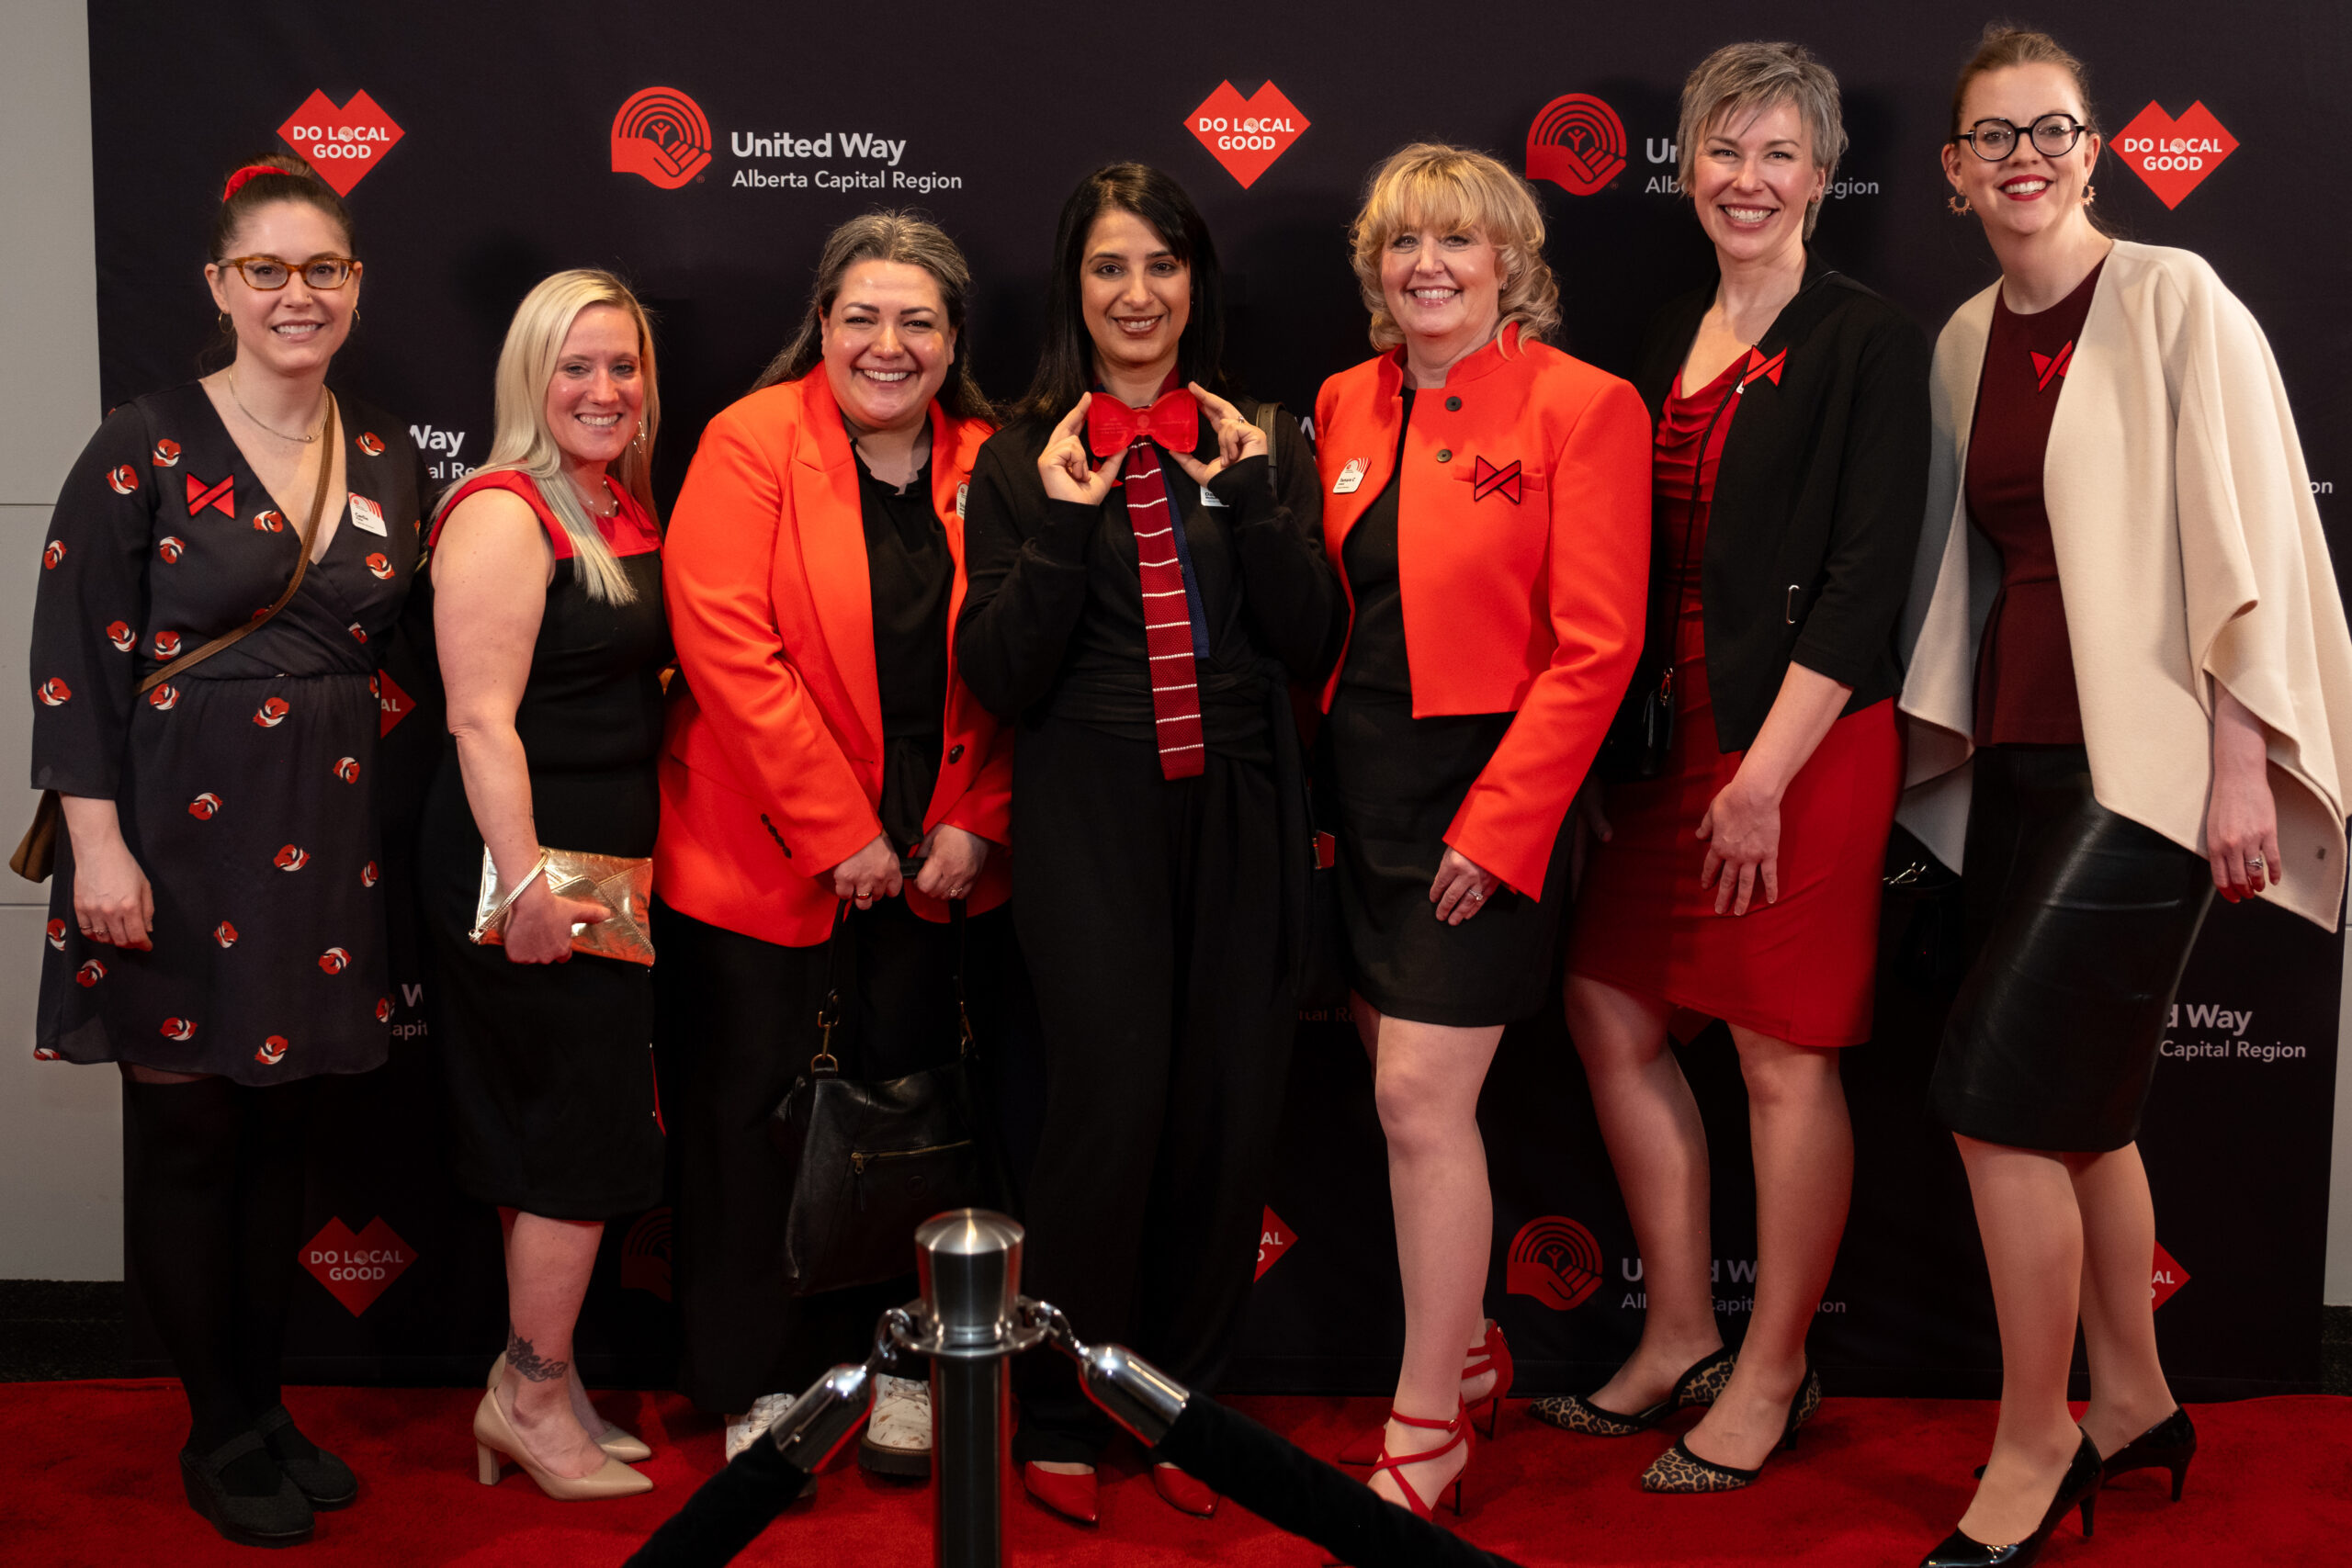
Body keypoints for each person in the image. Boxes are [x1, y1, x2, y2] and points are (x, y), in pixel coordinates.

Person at [1900, 26, 2352, 1566]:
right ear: (1956, 174)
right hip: (2020, 757)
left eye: (2054, 129)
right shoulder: (1964, 339)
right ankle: (2141, 1398)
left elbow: (2249, 541)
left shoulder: (2174, 299)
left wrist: (2241, 761)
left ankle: (2038, 1442)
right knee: (2080, 1112)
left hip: (2147, 771)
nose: (2023, 156)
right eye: (1991, 137)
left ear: (2094, 149)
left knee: (1999, 1107)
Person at [1536, 43, 1929, 1494]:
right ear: (1686, 168)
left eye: (1778, 155)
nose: (1746, 180)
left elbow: (1868, 578)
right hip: (1662, 732)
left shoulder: (1868, 340)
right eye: (1723, 150)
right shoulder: (1657, 335)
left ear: (1823, 179)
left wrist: (1764, 775)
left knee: (1780, 1051)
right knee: (1604, 1005)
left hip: (1806, 738)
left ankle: (1774, 1369)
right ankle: (1681, 1332)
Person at [27, 152, 422, 1546]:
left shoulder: (385, 450)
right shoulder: (142, 439)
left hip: (322, 840)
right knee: (190, 1136)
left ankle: (265, 1407)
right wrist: (98, 855)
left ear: (356, 286)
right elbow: (71, 663)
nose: (295, 294)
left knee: (280, 1142)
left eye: (323, 270)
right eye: (267, 270)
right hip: (170, 841)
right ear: (220, 286)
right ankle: (212, 1427)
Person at [955, 163, 1341, 1526]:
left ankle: (1184, 1411)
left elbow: (1313, 641)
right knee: (1104, 1111)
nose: (1138, 294)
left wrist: (1246, 495)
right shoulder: (1015, 457)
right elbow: (999, 674)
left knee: (1226, 1116)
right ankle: (1058, 1405)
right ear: (1076, 286)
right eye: (1111, 267)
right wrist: (1061, 523)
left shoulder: (1263, 437)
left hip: (1241, 804)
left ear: (1197, 283)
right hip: (1089, 816)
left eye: (1162, 266)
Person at [1314, 144, 1650, 1521]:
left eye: (1456, 242)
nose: (1428, 267)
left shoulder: (1587, 405)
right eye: (1403, 245)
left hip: (1491, 793)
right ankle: (1468, 1351)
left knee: (1415, 1104)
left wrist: (1501, 829)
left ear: (1511, 260)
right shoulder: (1342, 399)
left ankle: (1424, 1423)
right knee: (1400, 1093)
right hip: (1363, 794)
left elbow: (1599, 647)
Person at [655, 212, 1014, 1479]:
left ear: (953, 339)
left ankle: (902, 1365)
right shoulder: (750, 441)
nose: (888, 342)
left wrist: (977, 815)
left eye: (918, 319)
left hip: (938, 861)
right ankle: (756, 1377)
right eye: (861, 315)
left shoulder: (994, 455)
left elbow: (1023, 660)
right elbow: (724, 646)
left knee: (910, 1116)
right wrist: (838, 833)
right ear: (821, 324)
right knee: (748, 1119)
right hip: (761, 843)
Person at [417, 269, 670, 1501]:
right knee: (575, 1135)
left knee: (560, 1132)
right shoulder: (503, 510)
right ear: (531, 378)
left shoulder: (612, 502)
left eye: (623, 367)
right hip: (529, 863)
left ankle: (545, 1382)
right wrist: (523, 886)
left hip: (603, 864)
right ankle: (526, 1395)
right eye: (577, 367)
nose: (605, 389)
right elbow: (477, 719)